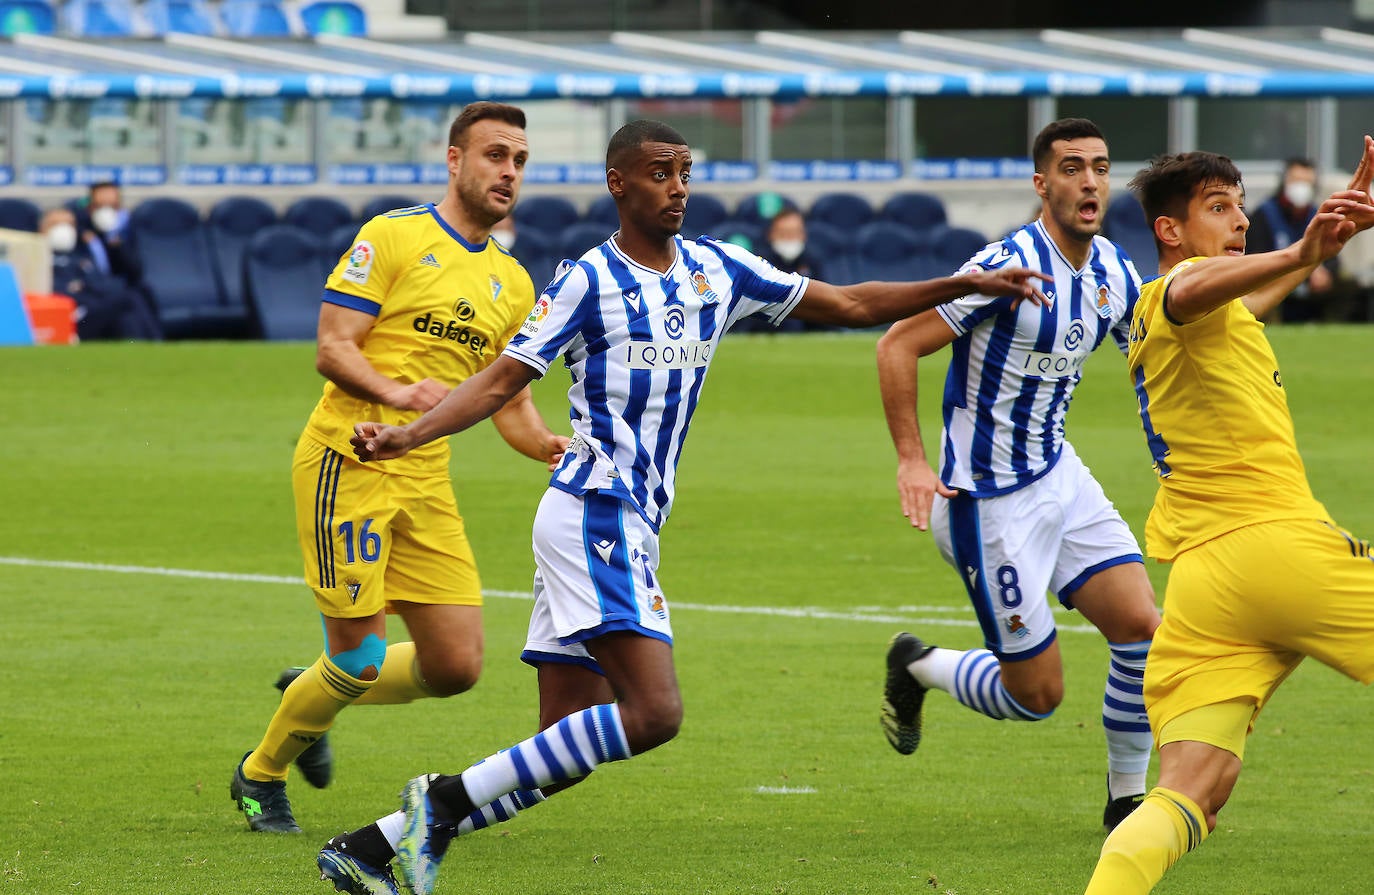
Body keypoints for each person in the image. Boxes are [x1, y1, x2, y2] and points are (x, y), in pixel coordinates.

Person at [312, 119, 1050, 895]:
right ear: (618, 184)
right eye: (660, 172)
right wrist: (408, 435)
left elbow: (854, 301)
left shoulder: (716, 271)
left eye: (685, 172)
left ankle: (369, 844)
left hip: (622, 522)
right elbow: (501, 381)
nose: (678, 187)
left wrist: (960, 284)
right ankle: (437, 801)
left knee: (565, 747)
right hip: (595, 512)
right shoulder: (585, 281)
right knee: (655, 712)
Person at [230, 101, 569, 836]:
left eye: (519, 160)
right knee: (357, 655)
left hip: (424, 476)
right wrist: (394, 394)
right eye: (494, 156)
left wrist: (547, 443)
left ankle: (311, 691)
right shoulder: (392, 235)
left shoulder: (511, 283)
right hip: (346, 460)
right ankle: (260, 775)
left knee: (456, 666)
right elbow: (332, 346)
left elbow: (506, 397)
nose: (508, 171)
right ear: (455, 160)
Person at [1083, 137, 1374, 894]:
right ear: (1169, 231)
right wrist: (1300, 249)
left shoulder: (1207, 315)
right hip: (1278, 550)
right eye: (1218, 207)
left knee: (1188, 790)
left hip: (1207, 587)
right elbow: (1196, 287)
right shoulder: (1171, 292)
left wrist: (1314, 253)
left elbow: (1233, 297)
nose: (1239, 219)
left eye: (1242, 205)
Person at [874, 118, 1161, 830]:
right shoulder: (1005, 267)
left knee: (1142, 628)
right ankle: (918, 664)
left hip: (1057, 472)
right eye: (1071, 167)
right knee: (1037, 693)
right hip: (986, 502)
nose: (1089, 180)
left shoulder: (1115, 274)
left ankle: (1126, 799)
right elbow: (898, 343)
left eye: (1098, 166)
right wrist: (913, 459)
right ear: (1043, 184)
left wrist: (1299, 260)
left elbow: (1166, 344)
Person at [1245, 157, 1347, 322]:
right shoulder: (1264, 214)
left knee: (1348, 287)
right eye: (1296, 180)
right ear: (1285, 181)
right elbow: (1256, 257)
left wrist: (1325, 271)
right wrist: (1305, 269)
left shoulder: (1319, 214)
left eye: (1307, 182)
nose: (1301, 187)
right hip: (1275, 286)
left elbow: (1333, 256)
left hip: (1313, 290)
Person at [42, 206, 161, 340]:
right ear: (42, 229)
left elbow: (103, 284)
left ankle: (140, 349)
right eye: (56, 224)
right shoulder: (39, 259)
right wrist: (87, 288)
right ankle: (156, 343)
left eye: (69, 224)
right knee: (128, 299)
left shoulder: (81, 255)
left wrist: (84, 286)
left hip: (94, 310)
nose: (64, 229)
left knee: (128, 311)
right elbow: (56, 291)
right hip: (71, 315)